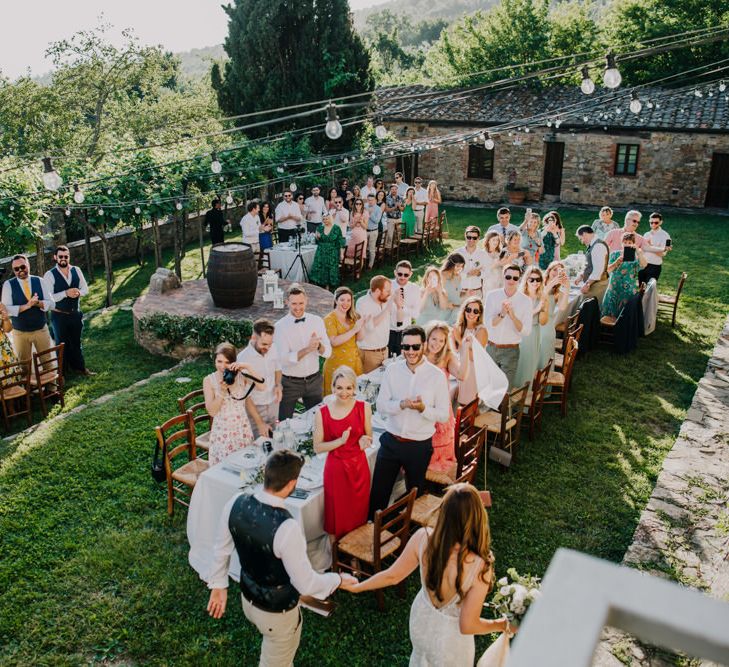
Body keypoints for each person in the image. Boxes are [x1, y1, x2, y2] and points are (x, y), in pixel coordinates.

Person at [206, 450, 356, 666]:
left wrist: (219, 585)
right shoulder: (287, 528)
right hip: (277, 615)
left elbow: (221, 548)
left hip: (247, 599)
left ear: (266, 473)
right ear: (291, 484)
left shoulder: (235, 502)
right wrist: (338, 580)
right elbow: (305, 583)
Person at [346, 483, 511, 667]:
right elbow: (468, 625)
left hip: (421, 623)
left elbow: (392, 576)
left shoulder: (422, 538)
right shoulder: (480, 565)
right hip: (450, 643)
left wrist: (358, 586)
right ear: (477, 518)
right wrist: (502, 624)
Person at [370, 326, 450, 517]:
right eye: (406, 347)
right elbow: (381, 405)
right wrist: (401, 404)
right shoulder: (392, 370)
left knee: (415, 494)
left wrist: (423, 409)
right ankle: (373, 530)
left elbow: (443, 415)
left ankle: (410, 533)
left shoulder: (436, 376)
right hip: (391, 441)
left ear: (423, 345)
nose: (410, 352)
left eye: (415, 347)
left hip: (419, 445)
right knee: (378, 494)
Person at [314, 365, 372, 540]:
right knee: (336, 515)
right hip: (336, 471)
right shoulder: (322, 412)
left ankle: (354, 552)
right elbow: (318, 447)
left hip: (359, 469)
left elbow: (369, 435)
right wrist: (340, 441)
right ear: (332, 387)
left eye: (349, 387)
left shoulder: (364, 407)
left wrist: (365, 440)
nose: (344, 392)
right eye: (339, 387)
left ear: (354, 388)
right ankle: (335, 557)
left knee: (358, 514)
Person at [274, 284, 332, 420]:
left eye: (301, 303)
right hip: (290, 384)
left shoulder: (317, 321)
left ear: (306, 301)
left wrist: (318, 346)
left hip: (314, 381)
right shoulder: (280, 327)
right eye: (294, 303)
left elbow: (328, 352)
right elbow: (283, 360)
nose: (298, 307)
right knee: (284, 422)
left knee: (317, 421)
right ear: (287, 302)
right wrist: (307, 350)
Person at [203, 342, 258, 465]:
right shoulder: (208, 380)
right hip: (223, 433)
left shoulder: (241, 377)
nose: (222, 366)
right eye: (219, 361)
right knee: (225, 470)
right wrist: (222, 392)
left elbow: (262, 386)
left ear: (233, 362)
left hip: (242, 429)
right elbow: (212, 412)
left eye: (227, 362)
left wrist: (248, 367)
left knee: (245, 466)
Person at [424, 321, 467, 472]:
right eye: (434, 339)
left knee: (435, 457)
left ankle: (431, 484)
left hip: (440, 410)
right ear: (427, 338)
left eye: (441, 340)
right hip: (422, 409)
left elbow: (461, 375)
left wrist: (466, 350)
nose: (437, 344)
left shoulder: (447, 356)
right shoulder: (418, 354)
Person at [44, 245, 93, 375]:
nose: (63, 259)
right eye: (61, 257)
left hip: (75, 314)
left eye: (66, 256)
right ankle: (62, 373)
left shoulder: (76, 270)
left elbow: (85, 289)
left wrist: (78, 293)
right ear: (55, 257)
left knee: (76, 342)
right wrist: (65, 293)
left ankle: (80, 368)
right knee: (61, 345)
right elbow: (48, 297)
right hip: (59, 316)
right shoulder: (49, 275)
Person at [483, 264, 533, 388]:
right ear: (503, 276)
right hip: (491, 348)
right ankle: (487, 408)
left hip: (511, 351)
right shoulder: (492, 295)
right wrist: (502, 314)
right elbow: (488, 324)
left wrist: (513, 317)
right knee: (487, 387)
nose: (511, 281)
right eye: (508, 277)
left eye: (515, 278)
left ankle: (504, 408)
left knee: (505, 389)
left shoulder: (526, 301)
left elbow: (526, 331)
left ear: (519, 279)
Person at [1, 254, 54, 364]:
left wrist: (37, 303)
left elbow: (52, 304)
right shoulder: (8, 285)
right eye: (16, 269)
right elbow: (7, 309)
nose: (20, 270)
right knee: (24, 365)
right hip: (20, 332)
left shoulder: (40, 281)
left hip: (41, 329)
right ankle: (28, 382)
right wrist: (27, 305)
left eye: (23, 267)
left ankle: (50, 381)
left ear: (28, 265)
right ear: (13, 270)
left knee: (47, 361)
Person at [237, 319, 282, 438]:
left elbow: (278, 368)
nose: (268, 348)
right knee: (260, 445)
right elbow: (245, 396)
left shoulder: (274, 348)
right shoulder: (242, 359)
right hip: (256, 408)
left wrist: (278, 385)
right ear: (253, 338)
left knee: (275, 438)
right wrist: (259, 423)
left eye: (270, 344)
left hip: (274, 403)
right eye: (264, 344)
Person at [323, 287, 364, 395]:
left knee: (354, 397)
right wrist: (354, 329)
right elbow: (334, 342)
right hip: (337, 366)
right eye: (342, 300)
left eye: (348, 300)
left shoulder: (352, 317)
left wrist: (361, 324)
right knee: (336, 398)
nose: (345, 303)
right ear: (336, 300)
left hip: (354, 363)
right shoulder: (329, 319)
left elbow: (360, 338)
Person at [514, 267, 549, 389]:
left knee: (529, 365)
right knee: (517, 364)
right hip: (520, 333)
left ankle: (524, 401)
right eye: (532, 279)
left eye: (538, 279)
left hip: (534, 332)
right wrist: (537, 309)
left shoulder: (542, 297)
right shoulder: (519, 296)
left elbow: (543, 322)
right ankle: (511, 398)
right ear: (526, 280)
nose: (535, 282)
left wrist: (544, 308)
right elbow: (518, 319)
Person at [602, 232, 647, 322]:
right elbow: (607, 270)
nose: (627, 244)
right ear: (621, 243)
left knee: (625, 311)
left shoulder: (636, 256)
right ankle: (606, 326)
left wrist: (639, 252)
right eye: (625, 242)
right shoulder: (614, 254)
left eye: (629, 243)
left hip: (628, 288)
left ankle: (623, 328)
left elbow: (644, 265)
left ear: (633, 244)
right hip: (614, 287)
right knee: (610, 306)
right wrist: (616, 262)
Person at [452, 297, 488, 406]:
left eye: (475, 311)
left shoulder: (481, 330)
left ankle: (473, 423)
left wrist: (458, 339)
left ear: (479, 314)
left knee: (469, 406)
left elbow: (474, 358)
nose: (471, 313)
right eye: (468, 310)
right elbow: (456, 351)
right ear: (464, 310)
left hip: (473, 372)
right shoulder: (459, 327)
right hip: (459, 369)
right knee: (457, 404)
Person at [355, 275, 392, 372]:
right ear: (378, 291)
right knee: (368, 384)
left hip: (385, 351)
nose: (390, 293)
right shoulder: (362, 303)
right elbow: (369, 326)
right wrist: (387, 310)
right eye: (387, 291)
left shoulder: (385, 301)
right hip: (369, 354)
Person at [539, 261, 570, 368]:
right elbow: (541, 296)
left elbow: (562, 307)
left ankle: (542, 379)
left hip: (548, 326)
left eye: (560, 271)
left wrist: (567, 288)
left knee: (546, 348)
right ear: (548, 271)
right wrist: (552, 282)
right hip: (536, 323)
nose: (556, 273)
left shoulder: (557, 291)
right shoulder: (538, 283)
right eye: (554, 270)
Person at [389, 260, 421, 356]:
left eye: (406, 275)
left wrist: (402, 307)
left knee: (401, 360)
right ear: (395, 272)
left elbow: (416, 314)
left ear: (411, 274)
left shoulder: (415, 289)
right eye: (399, 274)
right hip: (387, 329)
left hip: (405, 332)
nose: (402, 277)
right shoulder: (388, 285)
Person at [575, 225, 610, 304]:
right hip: (594, 284)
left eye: (580, 238)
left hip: (598, 285)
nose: (582, 242)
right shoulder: (594, 244)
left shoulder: (598, 246)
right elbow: (590, 265)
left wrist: (587, 284)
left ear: (584, 234)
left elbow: (598, 270)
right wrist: (582, 276)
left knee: (587, 308)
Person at [309, 213, 344, 290]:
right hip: (321, 251)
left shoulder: (336, 228)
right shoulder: (320, 228)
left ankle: (329, 284)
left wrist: (341, 254)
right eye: (323, 219)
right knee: (321, 268)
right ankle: (320, 283)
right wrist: (317, 237)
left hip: (332, 252)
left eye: (327, 219)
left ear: (331, 219)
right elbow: (316, 241)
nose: (325, 221)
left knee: (330, 268)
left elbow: (341, 241)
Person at [456, 226, 489, 298]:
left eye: (474, 238)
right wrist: (467, 274)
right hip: (461, 291)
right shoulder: (458, 253)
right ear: (465, 236)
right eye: (469, 237)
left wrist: (479, 273)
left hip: (476, 291)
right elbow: (452, 272)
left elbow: (487, 273)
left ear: (478, 239)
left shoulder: (483, 254)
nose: (471, 240)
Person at [639, 211, 672, 283]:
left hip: (654, 266)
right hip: (642, 265)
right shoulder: (646, 234)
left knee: (649, 290)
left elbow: (662, 254)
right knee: (640, 289)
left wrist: (650, 247)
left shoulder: (665, 236)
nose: (653, 224)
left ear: (661, 222)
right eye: (651, 222)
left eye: (656, 222)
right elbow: (642, 250)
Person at [440, 253, 466, 325]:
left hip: (456, 311)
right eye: (457, 266)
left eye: (461, 266)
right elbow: (437, 294)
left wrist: (466, 293)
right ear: (451, 264)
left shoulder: (458, 277)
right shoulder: (442, 275)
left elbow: (456, 293)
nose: (460, 269)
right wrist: (447, 304)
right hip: (445, 311)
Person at [364, 192, 383, 269]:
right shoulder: (365, 206)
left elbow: (377, 221)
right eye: (368, 200)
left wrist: (370, 213)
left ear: (375, 200)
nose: (370, 201)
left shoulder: (378, 209)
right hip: (365, 231)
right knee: (364, 248)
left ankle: (370, 265)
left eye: (372, 200)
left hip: (373, 231)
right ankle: (363, 264)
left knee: (371, 249)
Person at [0, 302, 18, 385]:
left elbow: (8, 329)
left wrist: (6, 319)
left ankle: (12, 394)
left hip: (3, 347)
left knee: (9, 372)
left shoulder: (1, 306)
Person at [384, 183, 404, 249]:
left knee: (398, 234)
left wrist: (399, 207)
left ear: (397, 190)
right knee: (390, 235)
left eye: (395, 189)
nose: (394, 190)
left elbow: (403, 209)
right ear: (390, 190)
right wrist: (395, 207)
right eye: (392, 189)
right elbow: (386, 210)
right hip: (390, 219)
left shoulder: (400, 198)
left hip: (398, 219)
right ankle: (389, 249)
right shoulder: (386, 198)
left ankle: (397, 249)